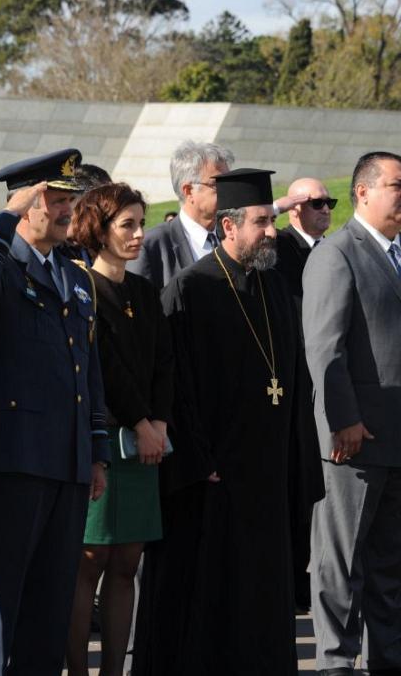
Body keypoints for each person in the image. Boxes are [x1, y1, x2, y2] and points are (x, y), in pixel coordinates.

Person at [133, 168, 300, 676]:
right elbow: (174, 386)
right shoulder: (191, 289)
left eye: (272, 221)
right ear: (229, 226)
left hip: (265, 476)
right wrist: (196, 457)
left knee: (262, 591)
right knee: (207, 592)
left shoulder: (275, 287)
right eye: (260, 222)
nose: (271, 232)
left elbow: (293, 379)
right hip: (212, 477)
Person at [303, 151, 401, 676]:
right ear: (363, 192)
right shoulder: (336, 254)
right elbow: (325, 349)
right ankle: (336, 660)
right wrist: (341, 419)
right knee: (341, 560)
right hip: (356, 438)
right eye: (396, 185)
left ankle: (388, 654)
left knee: (389, 560)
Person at [0, 148, 109, 676]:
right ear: (26, 204)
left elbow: (88, 370)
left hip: (68, 459)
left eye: (71, 199)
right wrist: (5, 216)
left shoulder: (74, 275)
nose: (68, 210)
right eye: (55, 199)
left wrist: (96, 451)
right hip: (17, 454)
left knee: (52, 595)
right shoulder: (0, 262)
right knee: (1, 590)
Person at [65, 182, 174, 676]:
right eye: (127, 224)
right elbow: (104, 368)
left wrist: (159, 424)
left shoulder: (145, 291)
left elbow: (164, 364)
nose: (138, 234)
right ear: (99, 228)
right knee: (90, 561)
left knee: (128, 562)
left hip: (145, 442)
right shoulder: (81, 287)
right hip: (104, 440)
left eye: (140, 223)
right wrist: (141, 423)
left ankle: (114, 671)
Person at [273, 176, 334, 612]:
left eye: (329, 202)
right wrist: (277, 206)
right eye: (315, 203)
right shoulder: (279, 247)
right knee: (293, 491)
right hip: (291, 385)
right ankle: (290, 583)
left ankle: (304, 580)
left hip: (326, 385)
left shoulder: (333, 250)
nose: (325, 209)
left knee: (317, 490)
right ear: (295, 208)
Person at [127, 141, 233, 288]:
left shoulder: (234, 235)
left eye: (229, 183)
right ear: (189, 191)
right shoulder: (152, 247)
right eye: (218, 184)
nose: (228, 191)